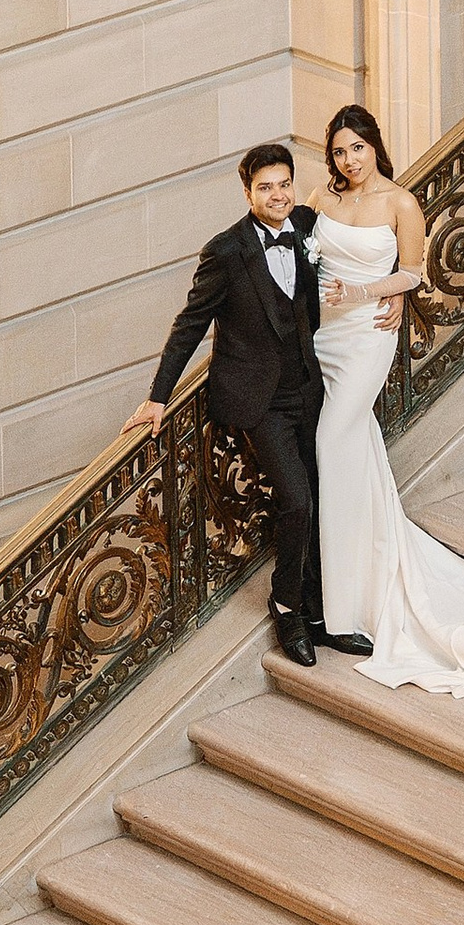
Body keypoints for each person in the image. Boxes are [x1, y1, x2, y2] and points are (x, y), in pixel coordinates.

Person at [300, 104, 464, 697]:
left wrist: (369, 290)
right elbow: (304, 258)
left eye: (357, 148)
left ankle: (342, 603)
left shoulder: (400, 203)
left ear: (375, 145)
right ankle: (355, 575)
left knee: (331, 441)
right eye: (340, 151)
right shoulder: (324, 199)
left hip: (368, 333)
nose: (349, 160)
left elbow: (414, 272)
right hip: (323, 333)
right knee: (355, 448)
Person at [128, 144, 382, 669]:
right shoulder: (226, 252)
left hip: (313, 388)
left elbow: (368, 232)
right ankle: (287, 605)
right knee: (295, 499)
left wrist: (397, 290)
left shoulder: (308, 225)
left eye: (284, 184)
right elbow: (189, 325)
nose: (278, 195)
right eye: (266, 187)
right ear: (247, 192)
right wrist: (158, 397)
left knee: (325, 494)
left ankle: (322, 614)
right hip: (260, 401)